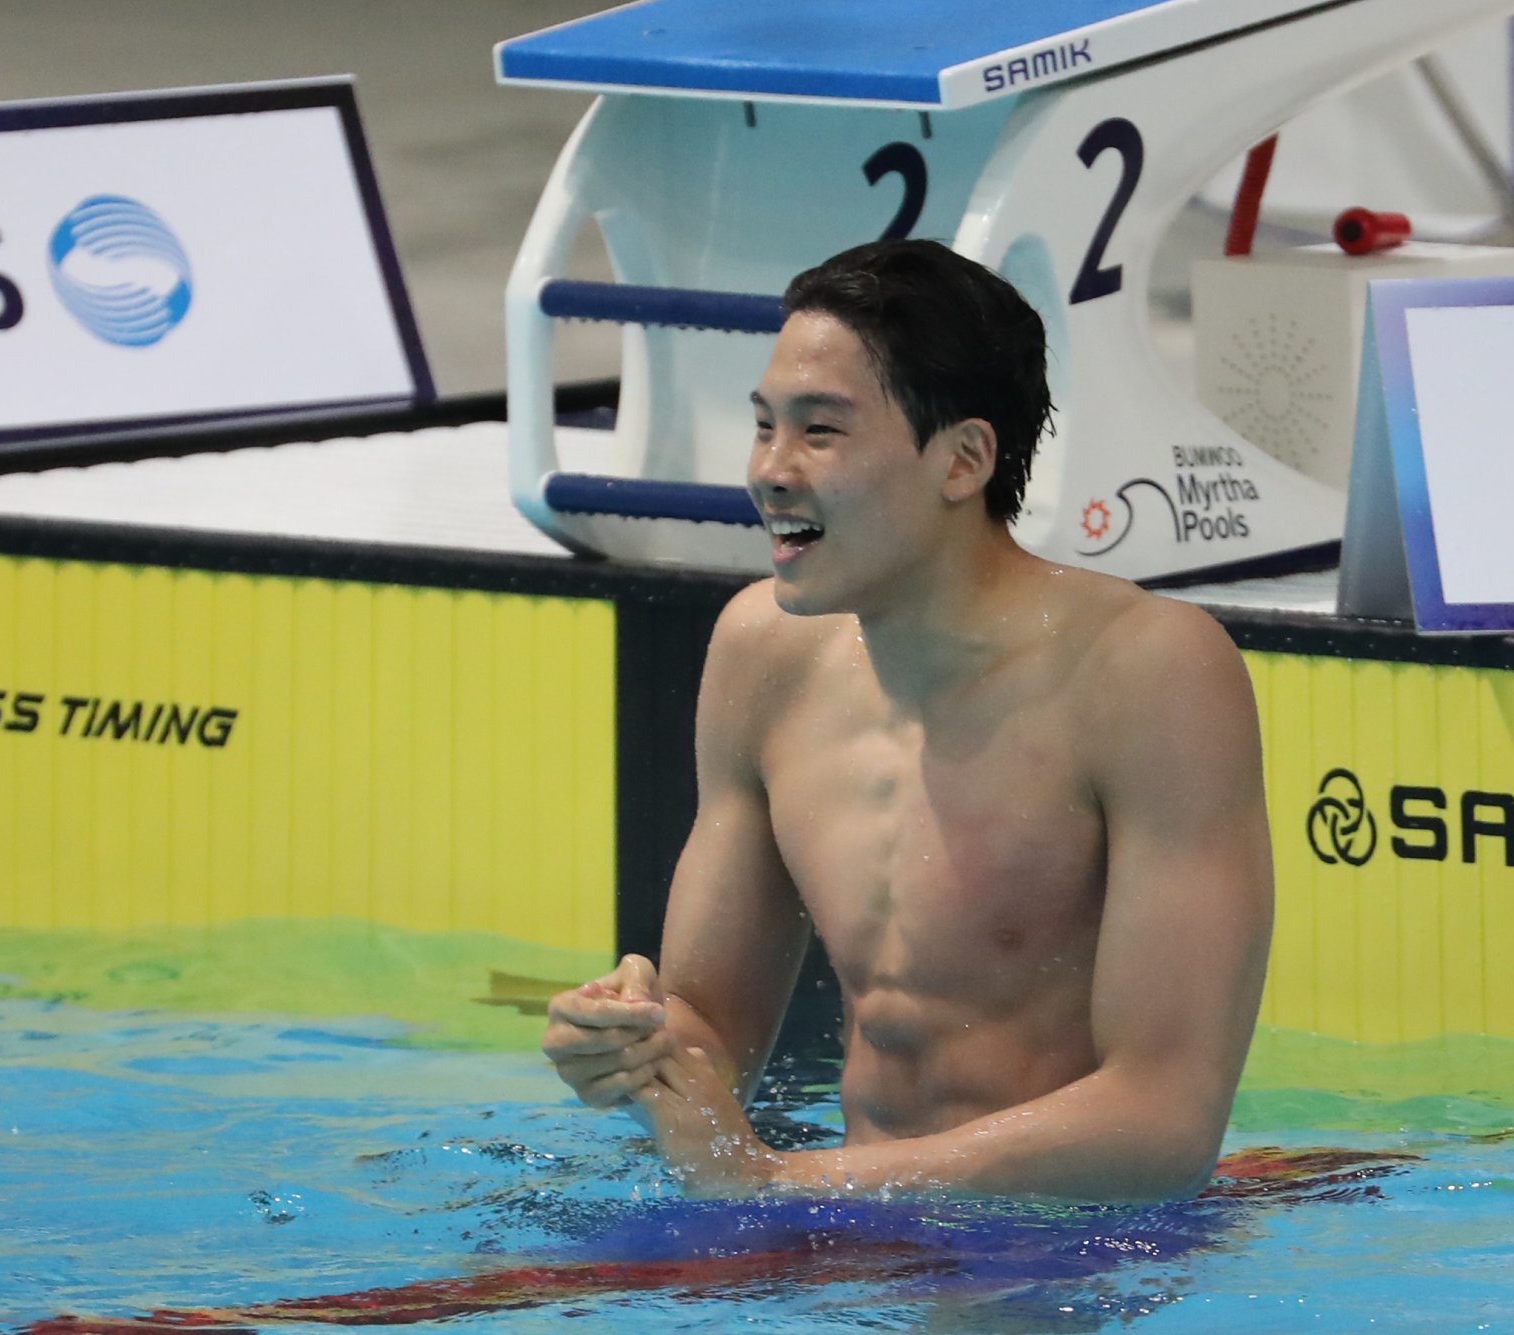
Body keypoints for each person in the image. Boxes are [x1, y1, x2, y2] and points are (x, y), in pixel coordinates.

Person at [541, 239, 1274, 1203]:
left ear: (964, 458)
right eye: (765, 426)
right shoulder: (765, 652)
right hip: (848, 1226)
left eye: (822, 432)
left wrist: (786, 1183)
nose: (770, 470)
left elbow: (1163, 1118)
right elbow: (712, 1027)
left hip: (1065, 1258)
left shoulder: (1146, 672)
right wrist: (630, 1049)